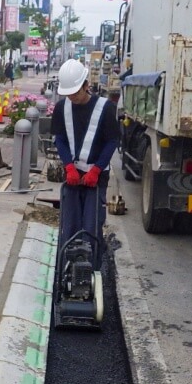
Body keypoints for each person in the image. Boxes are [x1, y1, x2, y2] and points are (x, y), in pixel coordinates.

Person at [51, 58, 120, 260]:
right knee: (69, 225)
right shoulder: (61, 108)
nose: (72, 97)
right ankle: (67, 266)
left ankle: (92, 267)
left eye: (75, 92)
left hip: (96, 178)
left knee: (91, 225)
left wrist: (96, 170)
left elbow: (112, 141)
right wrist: (69, 166)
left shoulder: (105, 108)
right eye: (68, 93)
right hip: (72, 175)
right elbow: (60, 139)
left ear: (86, 85)